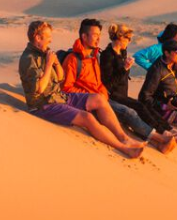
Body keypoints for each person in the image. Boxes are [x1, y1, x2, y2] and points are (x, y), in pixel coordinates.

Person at [17, 20, 144, 159]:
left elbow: (60, 78)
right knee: (87, 117)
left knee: (98, 99)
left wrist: (56, 63)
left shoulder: (44, 52)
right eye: (48, 37)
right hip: (44, 104)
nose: (51, 40)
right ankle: (123, 148)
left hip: (59, 97)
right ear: (38, 38)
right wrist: (48, 65)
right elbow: (40, 89)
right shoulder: (28, 59)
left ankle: (124, 138)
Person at [61, 18, 177, 154]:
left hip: (102, 98)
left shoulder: (94, 57)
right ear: (84, 36)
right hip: (90, 100)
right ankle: (161, 138)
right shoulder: (73, 59)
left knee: (133, 110)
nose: (98, 39)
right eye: (95, 35)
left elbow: (99, 83)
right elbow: (67, 89)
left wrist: (102, 92)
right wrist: (92, 95)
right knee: (129, 112)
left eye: (99, 35)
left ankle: (161, 137)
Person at [100, 22, 177, 145]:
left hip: (122, 95)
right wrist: (125, 69)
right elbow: (107, 85)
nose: (129, 41)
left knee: (145, 108)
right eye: (128, 38)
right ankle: (163, 133)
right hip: (113, 96)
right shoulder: (108, 55)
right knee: (140, 107)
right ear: (120, 37)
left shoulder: (122, 52)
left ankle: (169, 129)